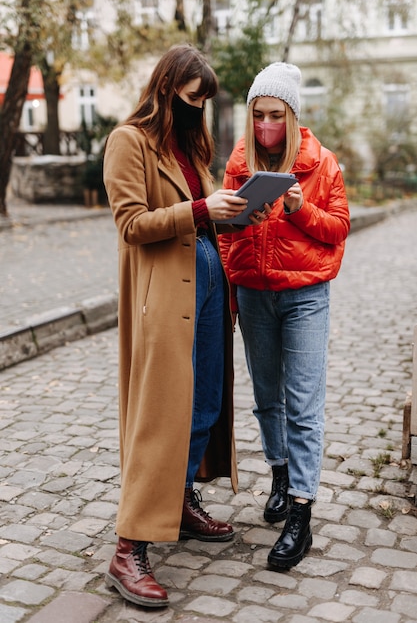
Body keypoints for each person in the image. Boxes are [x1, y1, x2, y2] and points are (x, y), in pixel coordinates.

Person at [102, 45, 253, 608]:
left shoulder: (189, 148)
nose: (198, 111)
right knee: (159, 418)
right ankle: (127, 550)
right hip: (165, 299)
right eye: (192, 99)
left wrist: (238, 211)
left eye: (204, 103)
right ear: (166, 90)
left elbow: (205, 216)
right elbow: (132, 224)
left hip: (210, 290)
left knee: (203, 406)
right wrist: (200, 210)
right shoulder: (129, 142)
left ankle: (182, 500)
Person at [219, 62, 350, 570]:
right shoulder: (238, 161)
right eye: (258, 115)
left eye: (275, 115)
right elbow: (222, 230)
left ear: (292, 115)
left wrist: (299, 209)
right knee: (266, 398)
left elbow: (338, 228)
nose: (265, 125)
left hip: (305, 296)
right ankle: (279, 474)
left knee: (303, 403)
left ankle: (300, 511)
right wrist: (237, 222)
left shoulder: (322, 163)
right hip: (254, 293)